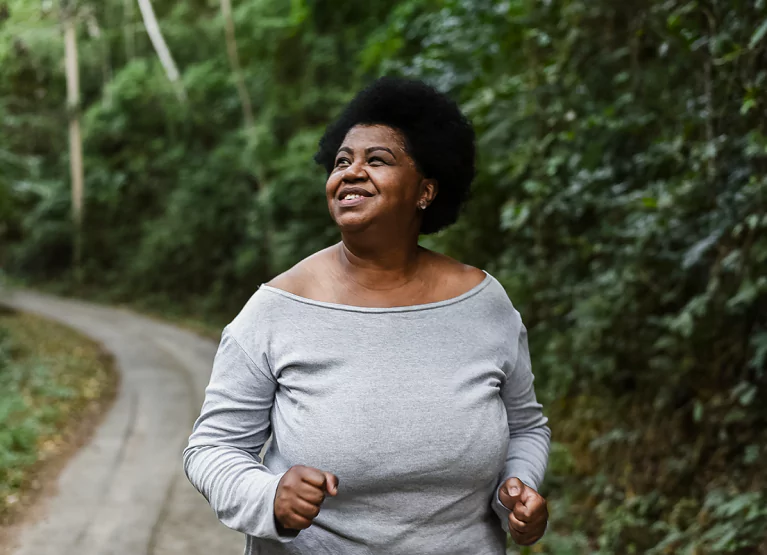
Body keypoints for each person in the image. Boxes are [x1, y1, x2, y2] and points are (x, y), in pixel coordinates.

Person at [183, 77, 551, 555]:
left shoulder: (483, 303)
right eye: (342, 161)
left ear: (426, 190)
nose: (352, 172)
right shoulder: (278, 308)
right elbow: (211, 448)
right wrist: (269, 496)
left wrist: (518, 491)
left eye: (377, 160)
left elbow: (526, 426)